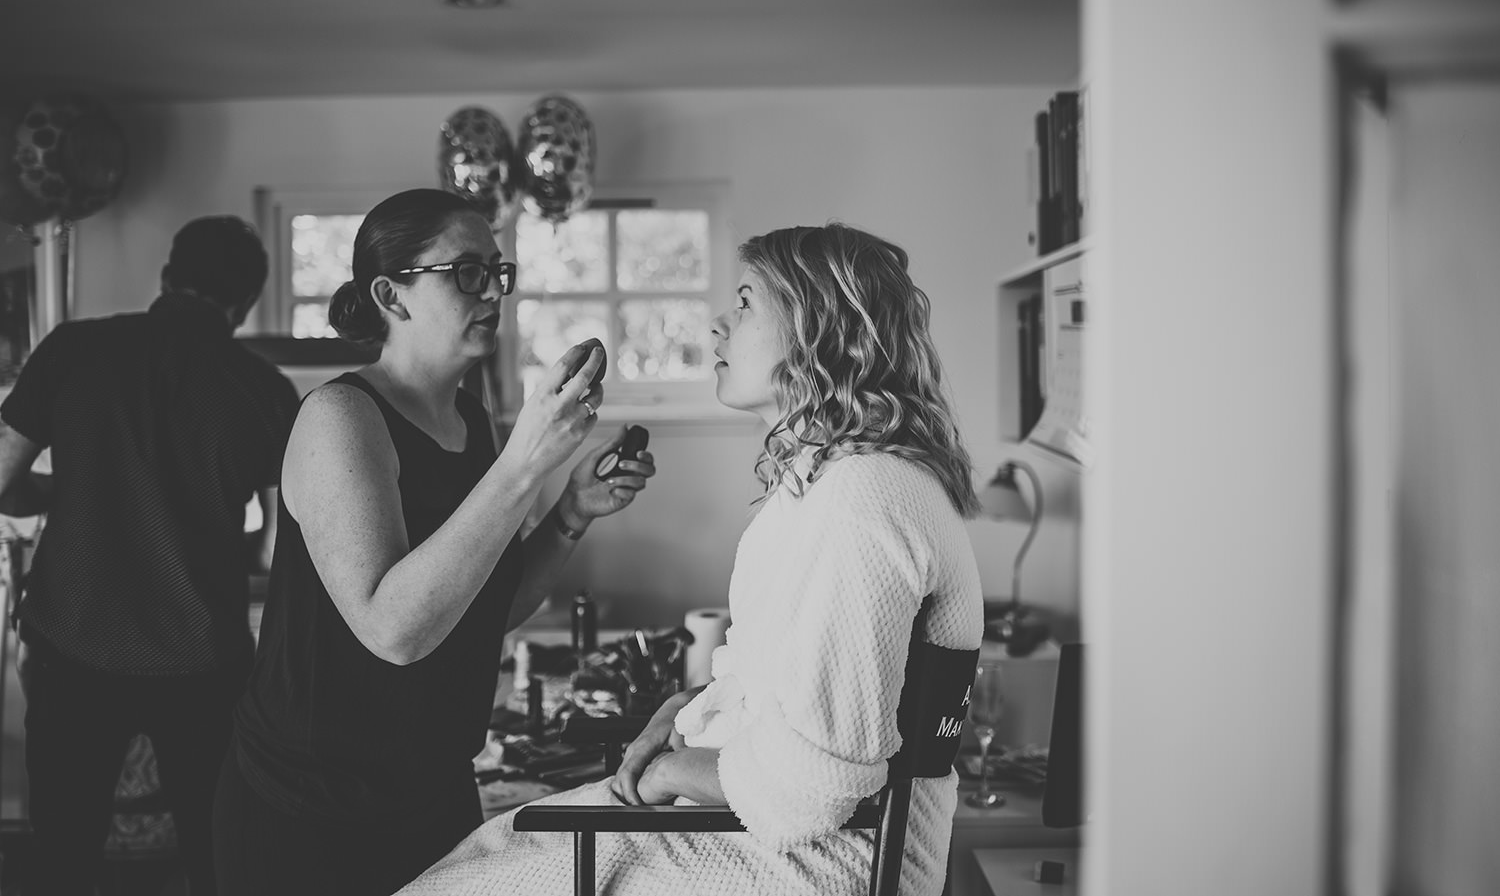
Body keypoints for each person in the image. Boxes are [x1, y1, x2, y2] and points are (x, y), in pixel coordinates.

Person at [398, 222, 984, 896]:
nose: (716, 324)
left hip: (824, 864)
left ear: (816, 329)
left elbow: (813, 790)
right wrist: (680, 709)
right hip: (780, 833)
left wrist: (675, 771)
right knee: (495, 845)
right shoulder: (829, 482)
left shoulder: (863, 497)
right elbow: (774, 684)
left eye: (744, 302)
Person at [211, 188, 655, 896]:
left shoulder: (470, 422)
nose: (492, 293)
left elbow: (487, 608)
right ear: (392, 293)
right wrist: (523, 463)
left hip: (432, 793)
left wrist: (572, 509)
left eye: (497, 272)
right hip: (308, 812)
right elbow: (395, 629)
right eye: (466, 272)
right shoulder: (340, 418)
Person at [0, 215, 300, 896]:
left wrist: (67, 490)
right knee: (216, 853)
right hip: (201, 657)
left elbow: (1, 478)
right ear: (245, 304)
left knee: (64, 856)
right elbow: (281, 545)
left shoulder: (75, 349)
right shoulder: (264, 390)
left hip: (73, 647)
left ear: (167, 277)